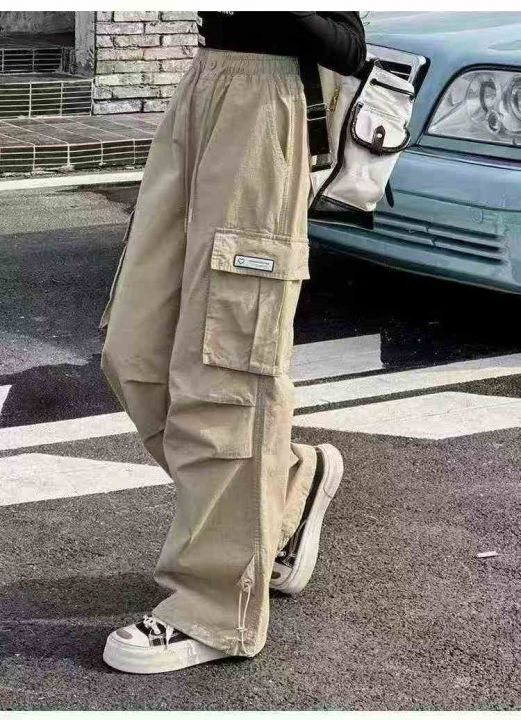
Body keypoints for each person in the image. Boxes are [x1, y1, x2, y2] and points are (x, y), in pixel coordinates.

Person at [99, 10, 366, 674]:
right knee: (134, 352)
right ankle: (284, 486)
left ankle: (215, 608)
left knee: (225, 371)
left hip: (267, 108)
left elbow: (348, 44)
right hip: (202, 86)